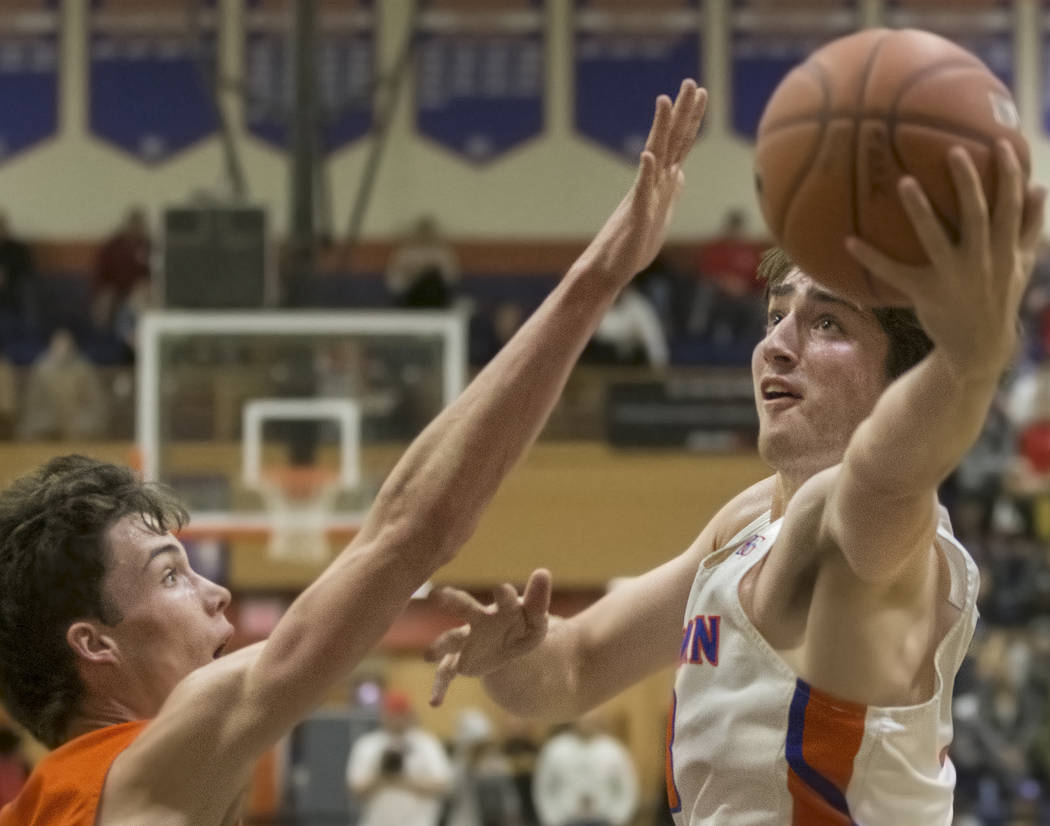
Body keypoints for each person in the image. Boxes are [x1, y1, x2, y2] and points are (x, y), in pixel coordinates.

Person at [0, 79, 707, 825]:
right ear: (92, 643)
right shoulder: (137, 773)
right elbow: (409, 533)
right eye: (171, 575)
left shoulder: (53, 802)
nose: (219, 594)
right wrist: (595, 281)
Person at [426, 139, 1046, 825]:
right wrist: (510, 659)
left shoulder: (889, 529)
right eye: (777, 314)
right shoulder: (743, 522)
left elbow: (889, 468)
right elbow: (573, 668)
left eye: (828, 322)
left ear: (897, 380)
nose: (777, 344)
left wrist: (970, 356)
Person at [346, 691, 452, 826]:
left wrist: (404, 779)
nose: (397, 719)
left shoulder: (426, 744)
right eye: (393, 714)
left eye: (401, 713)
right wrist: (381, 776)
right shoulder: (368, 745)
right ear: (384, 715)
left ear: (409, 714)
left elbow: (443, 785)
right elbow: (355, 789)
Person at [532, 714, 638, 826]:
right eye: (583, 719)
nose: (587, 723)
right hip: (565, 820)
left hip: (604, 819)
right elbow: (543, 787)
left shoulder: (614, 750)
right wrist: (551, 819)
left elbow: (627, 786)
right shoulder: (555, 749)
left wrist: (619, 817)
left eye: (591, 719)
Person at [16, 328, 108, 440]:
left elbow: (95, 404)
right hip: (47, 431)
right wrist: (47, 423)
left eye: (66, 344)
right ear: (51, 345)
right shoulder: (41, 370)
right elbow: (33, 405)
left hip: (79, 432)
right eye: (58, 344)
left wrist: (81, 423)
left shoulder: (84, 369)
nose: (62, 349)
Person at [91, 207, 151, 331]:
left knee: (140, 299)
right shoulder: (113, 247)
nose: (136, 228)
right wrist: (107, 294)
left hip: (142, 296)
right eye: (133, 224)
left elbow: (154, 275)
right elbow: (101, 277)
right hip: (117, 296)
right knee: (113, 302)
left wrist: (145, 287)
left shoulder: (149, 246)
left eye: (139, 224)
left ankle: (138, 335)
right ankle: (129, 336)